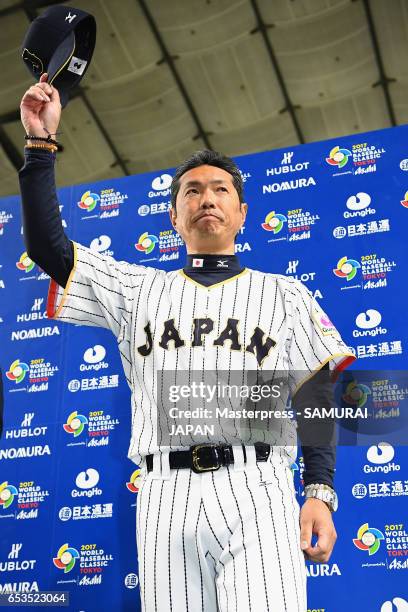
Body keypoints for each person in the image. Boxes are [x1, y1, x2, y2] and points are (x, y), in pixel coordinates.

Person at [19, 75, 355, 612]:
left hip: (257, 487)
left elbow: (314, 395)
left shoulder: (285, 294)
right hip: (163, 496)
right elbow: (47, 246)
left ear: (242, 214)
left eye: (221, 189)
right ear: (173, 217)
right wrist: (39, 146)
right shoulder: (136, 289)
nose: (207, 198)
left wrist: (319, 492)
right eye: (191, 191)